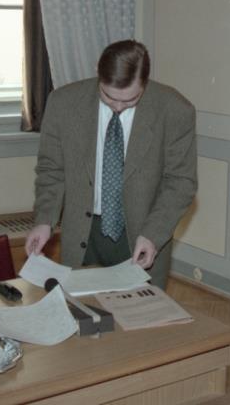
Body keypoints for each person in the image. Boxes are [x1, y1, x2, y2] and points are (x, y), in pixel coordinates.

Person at [25, 39, 197, 288]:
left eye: (130, 100)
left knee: (141, 312)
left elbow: (180, 183)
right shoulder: (63, 103)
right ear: (98, 71)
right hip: (83, 234)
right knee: (79, 308)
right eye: (108, 96)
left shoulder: (175, 110)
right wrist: (44, 220)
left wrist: (153, 235)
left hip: (142, 234)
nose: (117, 107)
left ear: (145, 82)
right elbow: (51, 170)